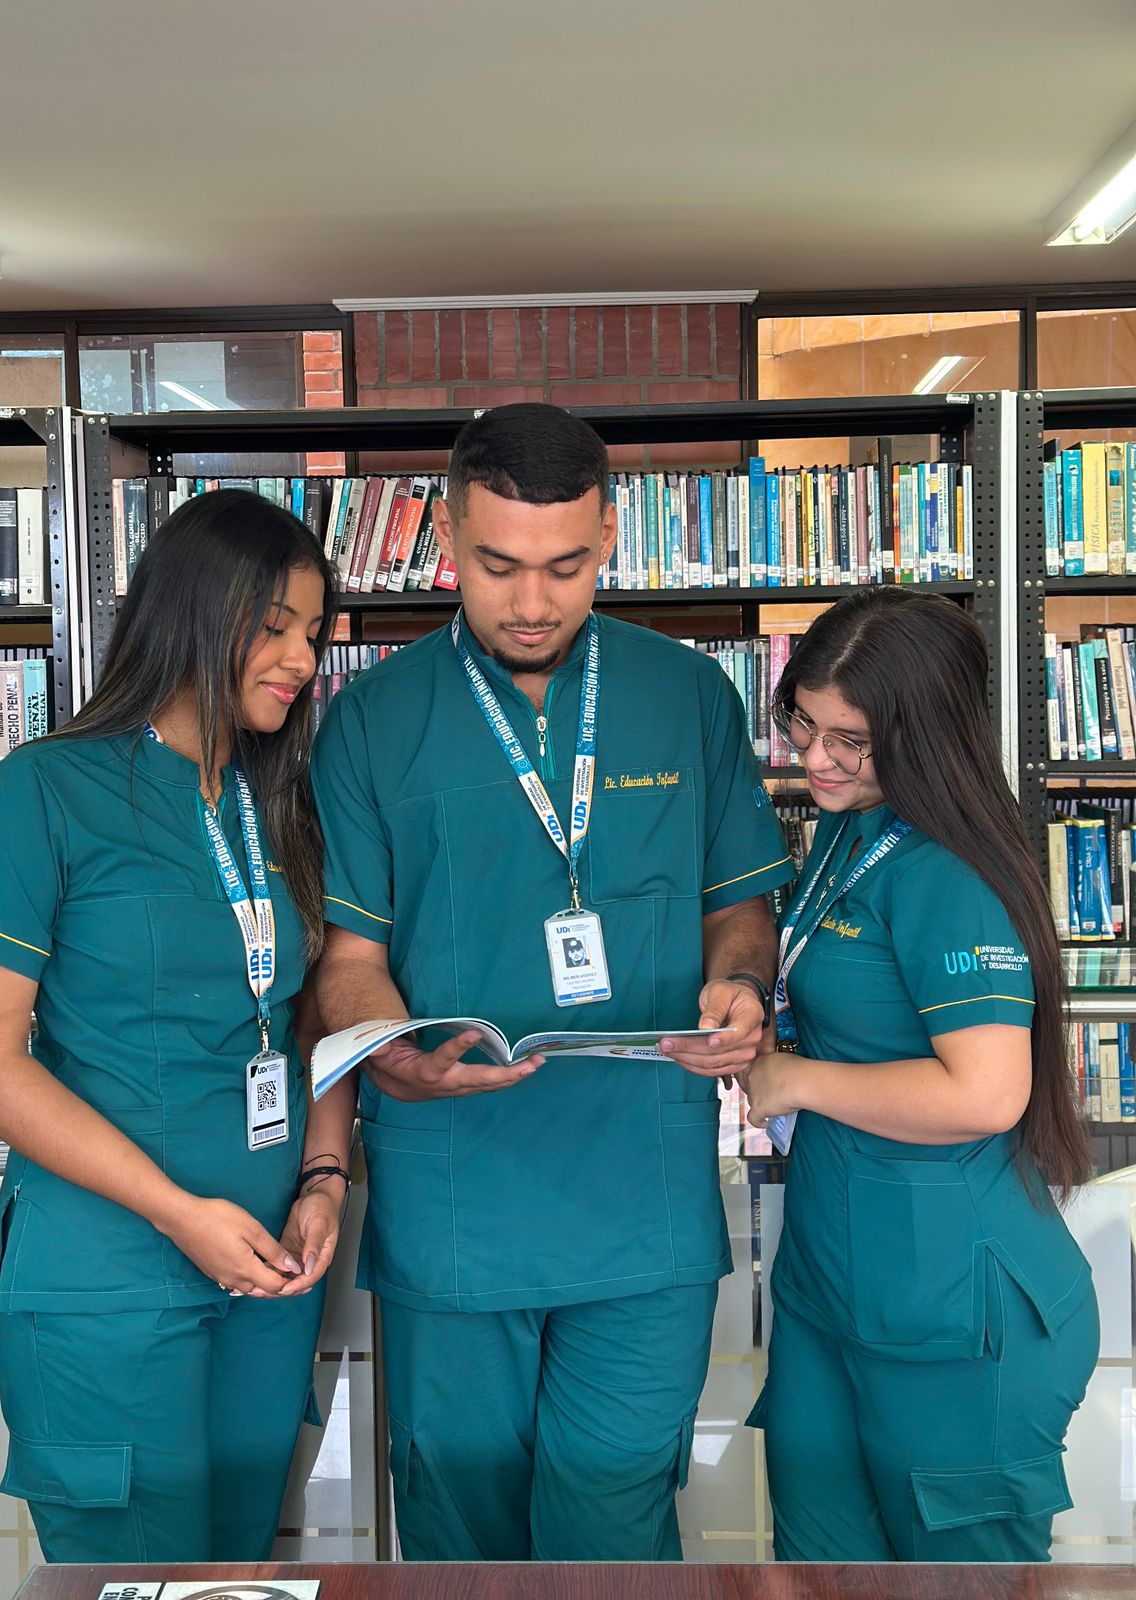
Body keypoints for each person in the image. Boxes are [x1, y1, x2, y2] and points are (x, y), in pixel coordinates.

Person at [311, 402, 796, 1562]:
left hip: (644, 1199)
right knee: (462, 1536)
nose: (532, 601)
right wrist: (388, 1049)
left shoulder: (687, 696)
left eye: (566, 566)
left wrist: (741, 989)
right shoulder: (372, 722)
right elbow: (348, 959)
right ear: (446, 541)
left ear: (613, 539)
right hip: (457, 1199)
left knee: (613, 1534)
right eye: (500, 565)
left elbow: (741, 906)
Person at [0, 489, 357, 1564]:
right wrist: (179, 1212)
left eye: (312, 632)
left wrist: (321, 1179)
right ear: (193, 609)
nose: (301, 658)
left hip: (267, 1273)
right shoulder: (47, 790)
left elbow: (313, 1016)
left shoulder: (278, 804)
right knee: (136, 1582)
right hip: (111, 1276)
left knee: (237, 1573)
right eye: (274, 627)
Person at [740, 586, 1099, 1563]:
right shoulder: (844, 830)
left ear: (924, 736)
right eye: (801, 722)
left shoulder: (948, 872)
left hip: (955, 1307)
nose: (814, 757)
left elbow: (986, 1094)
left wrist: (797, 1081)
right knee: (817, 1571)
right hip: (833, 1279)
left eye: (849, 739)